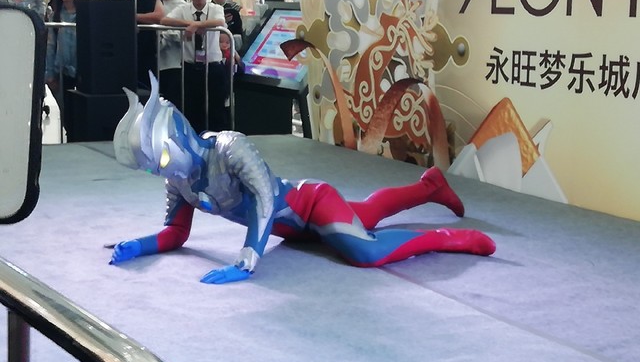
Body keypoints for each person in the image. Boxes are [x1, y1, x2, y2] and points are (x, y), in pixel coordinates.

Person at [108, 74, 496, 284]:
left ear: (175, 137)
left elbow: (263, 197)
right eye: (152, 169)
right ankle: (429, 186)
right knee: (365, 213)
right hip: (296, 230)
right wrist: (139, 246)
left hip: (311, 203)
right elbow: (176, 232)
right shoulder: (178, 179)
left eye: (159, 161)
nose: (160, 172)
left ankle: (450, 238)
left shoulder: (229, 147)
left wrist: (247, 259)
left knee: (365, 251)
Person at [160, 0, 228, 133]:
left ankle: (216, 140)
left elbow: (220, 21)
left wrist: (197, 25)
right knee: (190, 108)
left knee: (216, 109)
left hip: (213, 67)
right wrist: (189, 23)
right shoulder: (183, 9)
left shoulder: (216, 8)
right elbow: (164, 20)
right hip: (190, 67)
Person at [107, 0, 163, 89]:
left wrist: (131, 16)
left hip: (147, 51)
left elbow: (159, 16)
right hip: (117, 52)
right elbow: (109, 17)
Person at [45, 0, 78, 132]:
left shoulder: (86, 12)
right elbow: (50, 46)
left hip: (83, 70)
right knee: (67, 110)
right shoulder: (55, 16)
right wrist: (49, 74)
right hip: (62, 71)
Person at [154, 0, 185, 108]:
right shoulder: (151, 3)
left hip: (175, 62)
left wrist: (168, 35)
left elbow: (184, 33)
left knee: (173, 103)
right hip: (155, 61)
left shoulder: (182, 6)